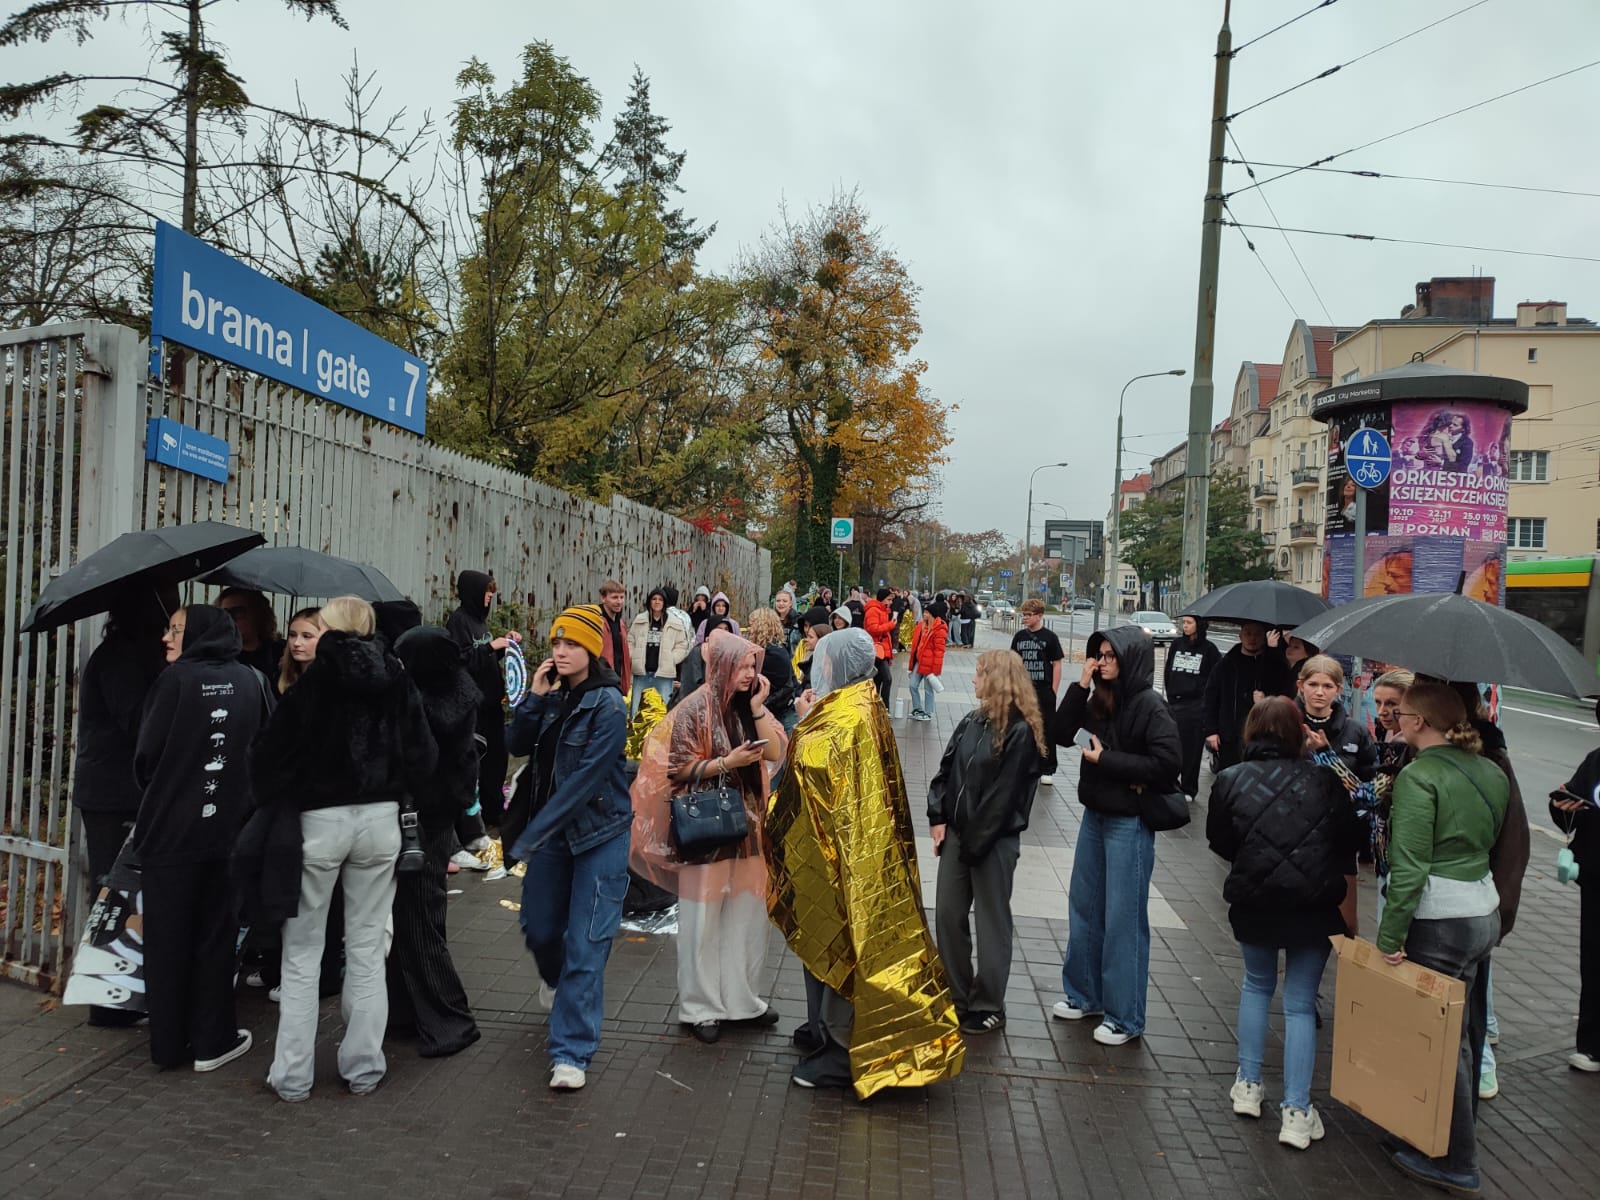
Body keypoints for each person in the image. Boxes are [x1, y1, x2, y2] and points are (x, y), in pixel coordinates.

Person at [253, 595, 437, 1103]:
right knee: (365, 950)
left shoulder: (312, 686)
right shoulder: (397, 679)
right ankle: (363, 1068)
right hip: (380, 822)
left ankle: (291, 1075)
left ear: (329, 629)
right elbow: (425, 755)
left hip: (318, 822)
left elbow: (268, 758)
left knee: (303, 952)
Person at [767, 629, 964, 1094]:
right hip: (849, 853)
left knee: (846, 939)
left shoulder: (844, 715)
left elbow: (810, 770)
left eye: (823, 659)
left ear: (835, 664)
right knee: (829, 937)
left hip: (848, 858)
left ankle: (842, 1047)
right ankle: (822, 1029)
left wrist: (805, 721)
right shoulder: (861, 702)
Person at [1207, 697, 1362, 1150]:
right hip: (1314, 907)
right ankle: (1296, 1111)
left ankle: (1249, 1086)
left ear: (1252, 731)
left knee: (1256, 986)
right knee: (1298, 1004)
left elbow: (1220, 840)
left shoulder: (1231, 780)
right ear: (1299, 733)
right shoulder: (1325, 781)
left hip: (1255, 901)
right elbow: (1350, 840)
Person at [1378, 682, 1507, 1194]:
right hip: (1481, 911)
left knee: (1439, 1043)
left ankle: (1456, 1160)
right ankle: (1430, 1139)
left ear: (1419, 723)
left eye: (1401, 711)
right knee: (1462, 1036)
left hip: (1439, 921)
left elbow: (1409, 869)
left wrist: (1389, 936)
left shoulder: (1419, 776)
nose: (1395, 718)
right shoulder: (1491, 771)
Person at [133, 604, 271, 1070]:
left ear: (197, 635)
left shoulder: (174, 682)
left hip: (170, 833)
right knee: (217, 936)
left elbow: (146, 757)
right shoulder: (253, 680)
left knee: (167, 940)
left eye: (176, 630)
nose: (167, 638)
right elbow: (266, 747)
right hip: (230, 830)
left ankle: (169, 1047)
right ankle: (213, 1041)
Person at [631, 630, 786, 1043]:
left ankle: (742, 1000)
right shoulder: (693, 709)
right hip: (707, 832)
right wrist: (725, 762)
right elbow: (676, 769)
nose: (751, 672)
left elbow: (775, 752)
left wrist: (756, 709)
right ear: (722, 666)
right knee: (702, 921)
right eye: (745, 665)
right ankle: (701, 1008)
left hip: (749, 831)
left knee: (746, 918)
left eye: (754, 666)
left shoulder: (746, 706)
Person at [505, 605, 633, 1091]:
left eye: (572, 644)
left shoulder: (607, 705)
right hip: (553, 834)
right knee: (538, 929)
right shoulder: (553, 696)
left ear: (592, 649)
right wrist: (534, 699)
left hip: (599, 832)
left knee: (586, 944)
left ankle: (571, 1052)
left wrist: (530, 836)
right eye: (556, 643)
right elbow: (516, 744)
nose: (560, 652)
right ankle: (558, 984)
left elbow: (585, 781)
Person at [1050, 625, 1181, 1046]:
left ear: (1131, 658)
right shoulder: (1101, 697)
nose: (1102, 661)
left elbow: (1167, 765)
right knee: (1084, 907)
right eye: (1098, 654)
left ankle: (1125, 1017)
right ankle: (1084, 994)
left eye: (1109, 655)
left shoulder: (1150, 705)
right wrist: (1081, 683)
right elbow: (1059, 733)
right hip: (1096, 815)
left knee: (1123, 918)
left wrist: (1110, 761)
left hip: (1130, 821)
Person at [71, 583, 176, 1028]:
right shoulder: (119, 658)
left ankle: (124, 995)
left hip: (124, 791)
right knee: (112, 892)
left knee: (129, 892)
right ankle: (105, 1003)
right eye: (167, 604)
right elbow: (136, 720)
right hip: (112, 795)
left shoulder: (137, 656)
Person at [928, 650, 1044, 1035]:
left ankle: (988, 1002)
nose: (973, 681)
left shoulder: (1020, 732)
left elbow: (1004, 797)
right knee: (947, 914)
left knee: (993, 923)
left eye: (979, 674)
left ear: (995, 679)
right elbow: (945, 771)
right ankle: (957, 996)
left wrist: (974, 844)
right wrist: (938, 817)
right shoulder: (971, 721)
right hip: (960, 836)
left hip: (994, 842)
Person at [388, 626, 483, 1058]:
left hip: (419, 820)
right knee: (424, 913)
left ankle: (449, 1020)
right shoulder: (457, 692)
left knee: (416, 920)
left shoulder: (422, 705)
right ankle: (408, 1012)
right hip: (439, 818)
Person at [1295, 655, 1377, 937]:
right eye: (1313, 684)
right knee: (1298, 916)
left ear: (1339, 689)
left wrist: (1358, 820)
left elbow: (1370, 784)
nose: (1320, 692)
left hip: (1339, 835)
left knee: (1346, 923)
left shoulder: (1355, 731)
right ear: (1301, 686)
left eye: (1328, 685)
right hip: (1294, 832)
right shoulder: (1286, 722)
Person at [446, 570, 517, 835]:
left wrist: (502, 646)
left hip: (491, 704)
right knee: (475, 762)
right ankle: (470, 821)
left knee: (497, 759)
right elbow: (461, 661)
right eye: (487, 592)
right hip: (473, 706)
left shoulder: (479, 622)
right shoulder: (458, 622)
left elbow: (483, 659)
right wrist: (490, 647)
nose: (489, 598)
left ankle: (494, 810)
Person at [1551, 698, 1600, 1075]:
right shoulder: (1596, 759)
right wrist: (1562, 806)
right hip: (1596, 877)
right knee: (1594, 958)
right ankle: (1591, 1045)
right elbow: (1571, 794)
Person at [1203, 620, 1292, 770]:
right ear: (1240, 636)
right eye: (1248, 633)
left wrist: (1266, 700)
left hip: (1263, 737)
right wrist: (1211, 731)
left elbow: (1285, 693)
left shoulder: (1272, 664)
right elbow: (1211, 697)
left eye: (1257, 634)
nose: (1252, 638)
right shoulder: (1226, 665)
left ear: (1264, 637)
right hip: (1230, 736)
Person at [1164, 613, 1221, 799]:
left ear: (1199, 624)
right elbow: (1168, 671)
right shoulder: (1176, 645)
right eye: (1184, 623)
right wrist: (1171, 695)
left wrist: (1203, 700)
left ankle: (1188, 788)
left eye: (1189, 623)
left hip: (1196, 706)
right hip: (1175, 703)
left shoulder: (1209, 649)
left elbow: (1215, 678)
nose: (1185, 626)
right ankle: (1170, 783)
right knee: (1172, 746)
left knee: (1192, 750)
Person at [1010, 599, 1064, 785]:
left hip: (1043, 689)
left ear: (1040, 616)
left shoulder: (1050, 638)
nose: (1025, 618)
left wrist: (1053, 689)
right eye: (1024, 614)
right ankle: (1023, 765)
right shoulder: (1019, 637)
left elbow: (1057, 664)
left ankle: (1047, 768)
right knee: (1022, 727)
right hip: (1023, 690)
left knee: (1047, 729)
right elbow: (1014, 663)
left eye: (1029, 615)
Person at [628, 587, 690, 716]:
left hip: (663, 675)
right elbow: (630, 640)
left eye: (660, 599)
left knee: (664, 712)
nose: (657, 602)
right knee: (636, 711)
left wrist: (672, 659)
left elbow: (682, 644)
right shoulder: (639, 620)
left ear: (664, 603)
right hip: (642, 673)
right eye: (654, 599)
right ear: (649, 601)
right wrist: (633, 656)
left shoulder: (675, 622)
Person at [745, 608, 799, 730]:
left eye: (751, 625)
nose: (749, 629)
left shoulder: (772, 654)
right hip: (780, 711)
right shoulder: (776, 649)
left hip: (779, 716)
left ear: (761, 627)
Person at [217, 587, 283, 680]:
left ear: (257, 614)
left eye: (238, 612)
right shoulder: (218, 655)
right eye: (224, 613)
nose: (230, 619)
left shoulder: (280, 652)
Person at [908, 600, 949, 722]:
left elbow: (939, 651)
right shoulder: (921, 626)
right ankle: (917, 708)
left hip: (930, 664)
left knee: (928, 689)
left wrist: (936, 670)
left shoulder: (939, 629)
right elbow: (916, 644)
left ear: (932, 614)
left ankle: (928, 712)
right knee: (912, 685)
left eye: (926, 612)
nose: (924, 614)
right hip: (919, 661)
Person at [277, 606, 324, 694]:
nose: (296, 643)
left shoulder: (337, 684)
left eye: (306, 636)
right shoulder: (278, 677)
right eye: (292, 635)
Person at [597, 579, 632, 696]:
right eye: (614, 597)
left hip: (617, 681)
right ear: (603, 598)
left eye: (622, 597)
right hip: (601, 682)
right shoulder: (596, 621)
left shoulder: (621, 623)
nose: (619, 601)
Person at [864, 587, 896, 705]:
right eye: (889, 599)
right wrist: (890, 625)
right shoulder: (873, 611)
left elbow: (885, 635)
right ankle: (884, 706)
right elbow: (873, 629)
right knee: (887, 678)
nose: (890, 602)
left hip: (882, 651)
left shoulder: (883, 611)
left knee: (878, 679)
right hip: (876, 650)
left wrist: (890, 655)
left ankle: (876, 705)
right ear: (882, 599)